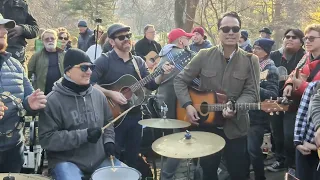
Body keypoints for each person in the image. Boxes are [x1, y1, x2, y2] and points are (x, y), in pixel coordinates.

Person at [174, 11, 260, 180]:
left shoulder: (251, 60)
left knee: (238, 173)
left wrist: (235, 107)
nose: (230, 32)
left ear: (240, 32)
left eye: (235, 28)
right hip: (207, 127)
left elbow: (252, 93)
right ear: (219, 31)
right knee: (208, 172)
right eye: (225, 28)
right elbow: (180, 80)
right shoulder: (204, 55)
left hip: (236, 129)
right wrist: (188, 105)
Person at [91, 23, 173, 168]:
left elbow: (151, 84)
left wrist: (162, 74)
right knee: (112, 158)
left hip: (135, 116)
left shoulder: (138, 62)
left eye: (128, 36)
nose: (126, 39)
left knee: (133, 157)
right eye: (121, 37)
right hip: (112, 119)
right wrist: (111, 93)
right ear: (111, 42)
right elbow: (89, 84)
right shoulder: (104, 61)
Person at [39, 48, 122, 180]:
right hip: (66, 162)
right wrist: (84, 135)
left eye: (91, 67)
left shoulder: (99, 95)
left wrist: (109, 141)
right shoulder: (52, 101)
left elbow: (108, 123)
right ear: (68, 71)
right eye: (84, 68)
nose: (89, 72)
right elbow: (47, 139)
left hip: (99, 160)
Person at [0, 14, 47, 173]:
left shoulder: (16, 65)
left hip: (14, 148)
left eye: (4, 27)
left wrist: (30, 103)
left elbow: (27, 98)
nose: (4, 31)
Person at [277, 24, 320, 175]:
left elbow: (316, 91)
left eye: (312, 38)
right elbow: (294, 74)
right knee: (291, 140)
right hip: (300, 112)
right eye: (306, 38)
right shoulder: (305, 57)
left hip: (315, 120)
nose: (307, 41)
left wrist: (301, 85)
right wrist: (289, 84)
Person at [155, 28, 195, 180]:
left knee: (175, 138)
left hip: (163, 101)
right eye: (187, 39)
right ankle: (166, 176)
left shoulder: (165, 55)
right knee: (179, 141)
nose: (189, 42)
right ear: (180, 41)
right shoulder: (181, 55)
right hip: (173, 103)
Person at [267, 28, 305, 173]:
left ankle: (293, 165)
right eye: (287, 37)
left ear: (301, 42)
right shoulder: (274, 56)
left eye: (294, 37)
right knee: (277, 134)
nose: (289, 39)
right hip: (274, 102)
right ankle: (280, 160)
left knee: (290, 135)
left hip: (294, 104)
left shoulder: (304, 58)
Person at [247, 38, 279, 180]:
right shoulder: (251, 65)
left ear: (266, 52)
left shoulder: (271, 69)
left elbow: (272, 95)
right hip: (243, 113)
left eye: (258, 48)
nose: (254, 51)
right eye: (254, 47)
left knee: (254, 151)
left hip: (258, 117)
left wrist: (254, 86)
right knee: (243, 151)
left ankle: (260, 177)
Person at [294, 81, 319, 180]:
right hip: (305, 146)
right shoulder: (313, 87)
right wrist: (298, 142)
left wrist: (315, 148)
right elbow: (301, 115)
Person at [28, 29, 65, 95]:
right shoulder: (36, 56)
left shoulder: (64, 55)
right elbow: (27, 74)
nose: (50, 40)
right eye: (47, 39)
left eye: (52, 38)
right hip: (43, 94)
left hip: (62, 94)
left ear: (56, 40)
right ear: (42, 41)